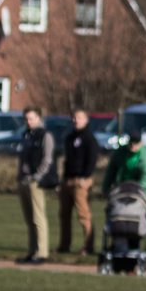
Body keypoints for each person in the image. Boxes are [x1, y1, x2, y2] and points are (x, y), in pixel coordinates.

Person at [16, 106, 55, 265]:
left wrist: (37, 176)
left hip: (35, 181)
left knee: (38, 217)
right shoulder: (26, 135)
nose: (28, 122)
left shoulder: (45, 135)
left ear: (39, 118)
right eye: (26, 119)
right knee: (29, 218)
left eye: (31, 118)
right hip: (23, 180)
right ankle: (32, 251)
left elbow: (47, 159)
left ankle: (42, 251)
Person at [59, 109, 100, 255]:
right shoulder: (69, 137)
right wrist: (64, 178)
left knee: (83, 214)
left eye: (80, 118)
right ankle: (64, 245)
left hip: (82, 181)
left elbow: (92, 160)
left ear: (86, 120)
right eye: (74, 117)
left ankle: (88, 246)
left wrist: (85, 177)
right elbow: (67, 160)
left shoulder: (89, 138)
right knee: (64, 214)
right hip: (68, 180)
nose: (76, 120)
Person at [104, 129, 146, 195]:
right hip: (122, 186)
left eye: (136, 143)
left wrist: (139, 191)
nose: (133, 145)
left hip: (141, 190)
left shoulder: (145, 156)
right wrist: (106, 189)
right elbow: (111, 171)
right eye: (131, 142)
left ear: (141, 143)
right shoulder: (120, 153)